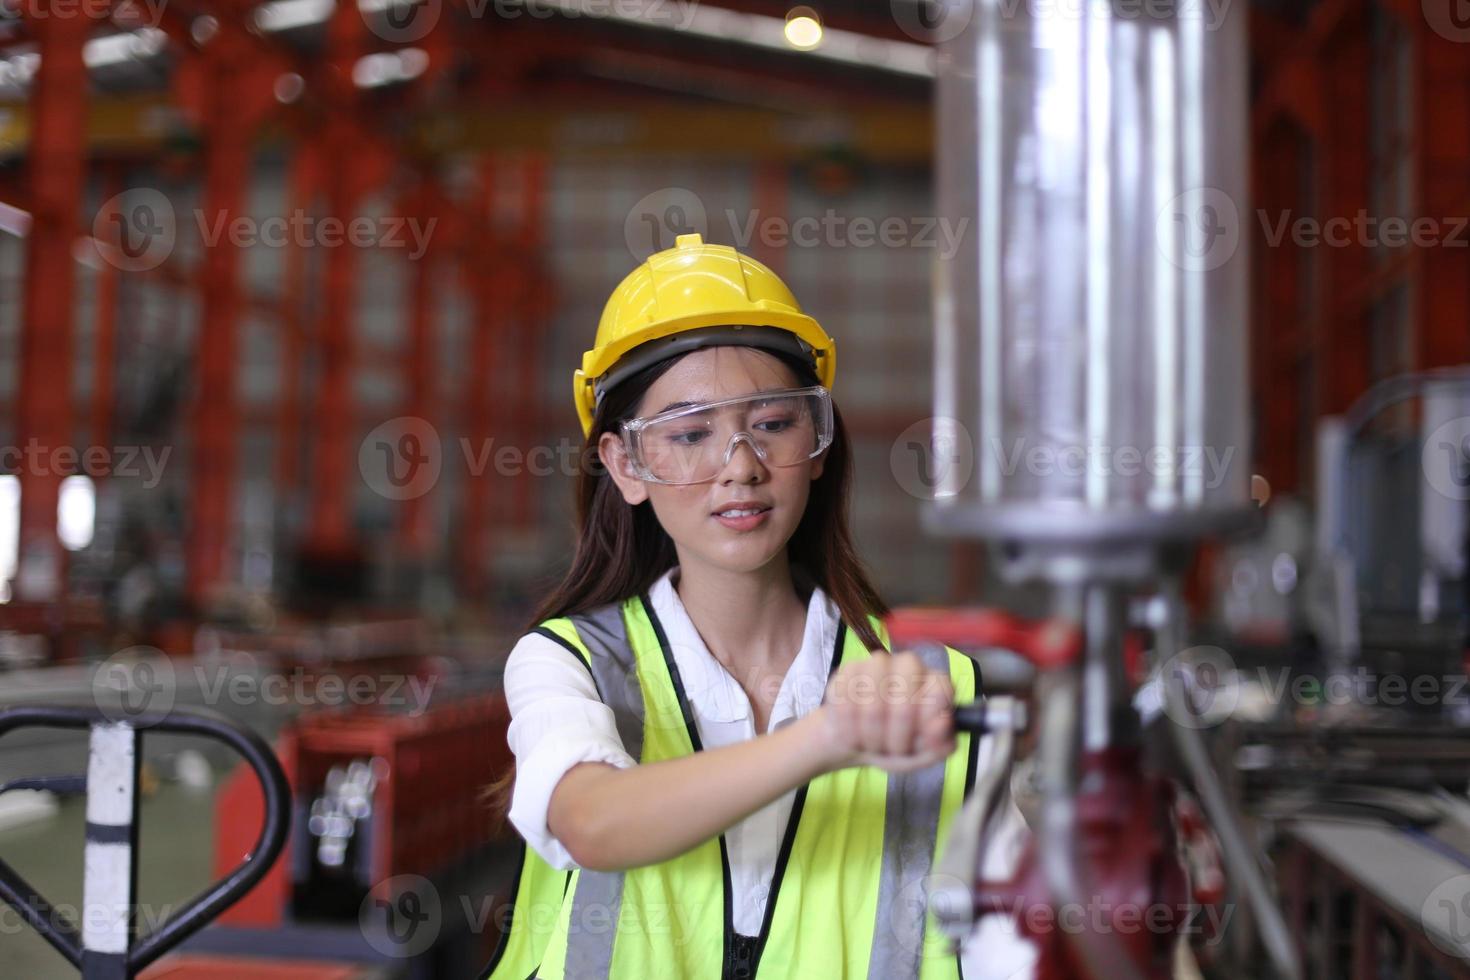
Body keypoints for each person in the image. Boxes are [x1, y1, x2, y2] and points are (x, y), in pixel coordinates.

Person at [481, 234, 992, 980]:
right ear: (627, 466)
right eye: (690, 435)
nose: (742, 467)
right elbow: (591, 821)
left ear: (818, 445)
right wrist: (829, 736)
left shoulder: (936, 685)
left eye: (775, 425)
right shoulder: (570, 665)